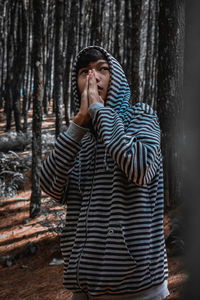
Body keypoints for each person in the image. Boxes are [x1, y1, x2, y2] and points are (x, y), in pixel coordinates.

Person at [40, 46, 169, 300]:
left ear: (116, 78)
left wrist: (99, 113)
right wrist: (78, 123)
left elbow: (140, 169)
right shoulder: (79, 139)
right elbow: (51, 186)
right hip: (85, 287)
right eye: (84, 72)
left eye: (102, 69)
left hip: (136, 287)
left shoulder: (140, 117)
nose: (93, 77)